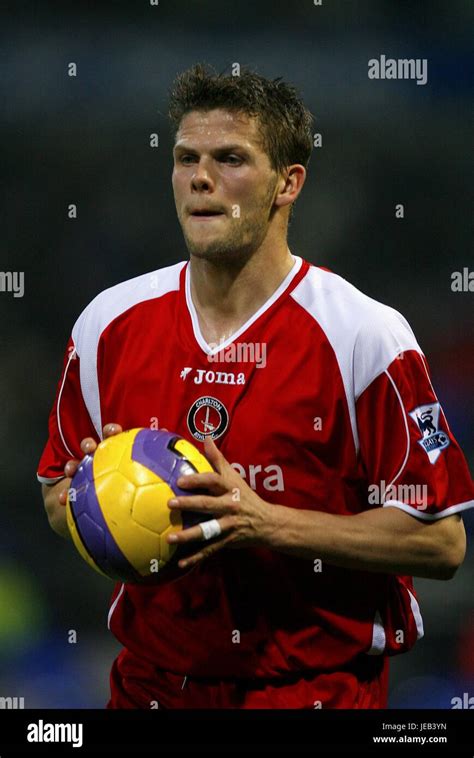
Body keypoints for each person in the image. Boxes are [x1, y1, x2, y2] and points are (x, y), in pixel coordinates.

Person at [38, 64, 474, 709]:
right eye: (186, 158)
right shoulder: (109, 323)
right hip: (150, 687)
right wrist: (103, 511)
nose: (201, 177)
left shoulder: (363, 334)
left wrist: (265, 523)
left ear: (287, 183)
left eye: (231, 158)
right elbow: (55, 491)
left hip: (311, 692)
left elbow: (440, 542)